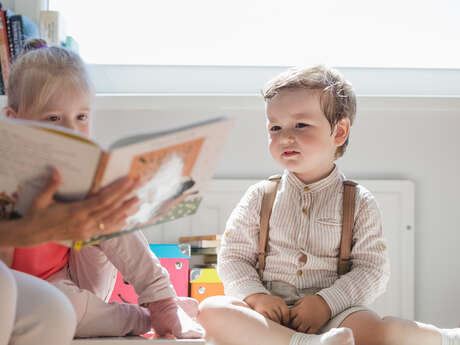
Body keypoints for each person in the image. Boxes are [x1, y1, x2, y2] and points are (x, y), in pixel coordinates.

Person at [198, 65, 460, 345]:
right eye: (275, 127)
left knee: (374, 327)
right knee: (211, 311)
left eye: (301, 125)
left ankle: (441, 337)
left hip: (336, 316)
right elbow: (233, 257)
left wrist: (326, 303)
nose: (285, 136)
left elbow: (372, 270)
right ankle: (303, 343)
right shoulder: (260, 196)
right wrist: (256, 296)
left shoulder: (359, 201)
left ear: (339, 132)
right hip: (268, 316)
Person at [3, 39, 204, 339]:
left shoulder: (81, 171)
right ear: (14, 121)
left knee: (110, 208)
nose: (71, 130)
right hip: (27, 288)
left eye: (81, 117)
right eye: (53, 118)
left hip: (71, 275)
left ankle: (162, 300)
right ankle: (141, 319)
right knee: (68, 308)